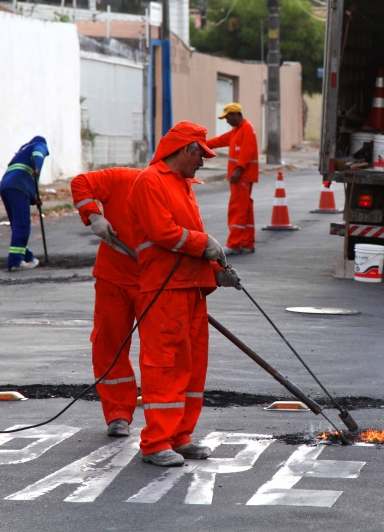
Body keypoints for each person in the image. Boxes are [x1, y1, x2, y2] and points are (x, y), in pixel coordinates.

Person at [127, 121, 240, 467]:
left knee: (191, 367)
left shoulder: (183, 185)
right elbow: (166, 233)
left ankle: (180, 435)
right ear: (185, 150)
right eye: (200, 155)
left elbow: (192, 236)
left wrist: (217, 272)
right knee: (165, 366)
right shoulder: (150, 181)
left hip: (191, 289)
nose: (203, 162)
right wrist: (205, 244)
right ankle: (156, 441)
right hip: (164, 290)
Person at [70, 167, 143, 438]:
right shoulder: (123, 178)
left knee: (160, 354)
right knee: (109, 346)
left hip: (153, 283)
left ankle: (163, 426)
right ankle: (117, 414)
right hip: (113, 278)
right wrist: (94, 214)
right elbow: (81, 182)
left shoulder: (180, 192)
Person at [205, 103, 259, 255]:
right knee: (245, 209)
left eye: (227, 117)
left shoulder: (246, 129)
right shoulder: (237, 130)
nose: (226, 121)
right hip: (243, 176)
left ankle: (234, 244)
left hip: (242, 176)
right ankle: (247, 243)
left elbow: (247, 151)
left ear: (235, 115)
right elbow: (219, 140)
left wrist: (238, 170)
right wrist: (202, 144)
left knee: (237, 209)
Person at [0, 136, 48, 270]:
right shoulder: (38, 145)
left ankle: (27, 256)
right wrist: (37, 167)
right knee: (22, 224)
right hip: (17, 187)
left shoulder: (21, 153)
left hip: (6, 187)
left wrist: (33, 199)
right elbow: (39, 152)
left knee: (17, 224)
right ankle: (15, 261)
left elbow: (24, 179)